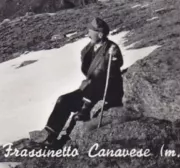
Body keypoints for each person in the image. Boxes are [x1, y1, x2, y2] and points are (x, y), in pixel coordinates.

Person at [31, 17, 124, 145]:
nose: (88, 34)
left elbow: (115, 67)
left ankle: (84, 112)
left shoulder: (112, 48)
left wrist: (113, 58)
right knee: (63, 100)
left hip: (105, 90)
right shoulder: (90, 48)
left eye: (91, 31)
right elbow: (87, 67)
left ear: (100, 34)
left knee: (91, 90)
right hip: (90, 89)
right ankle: (50, 134)